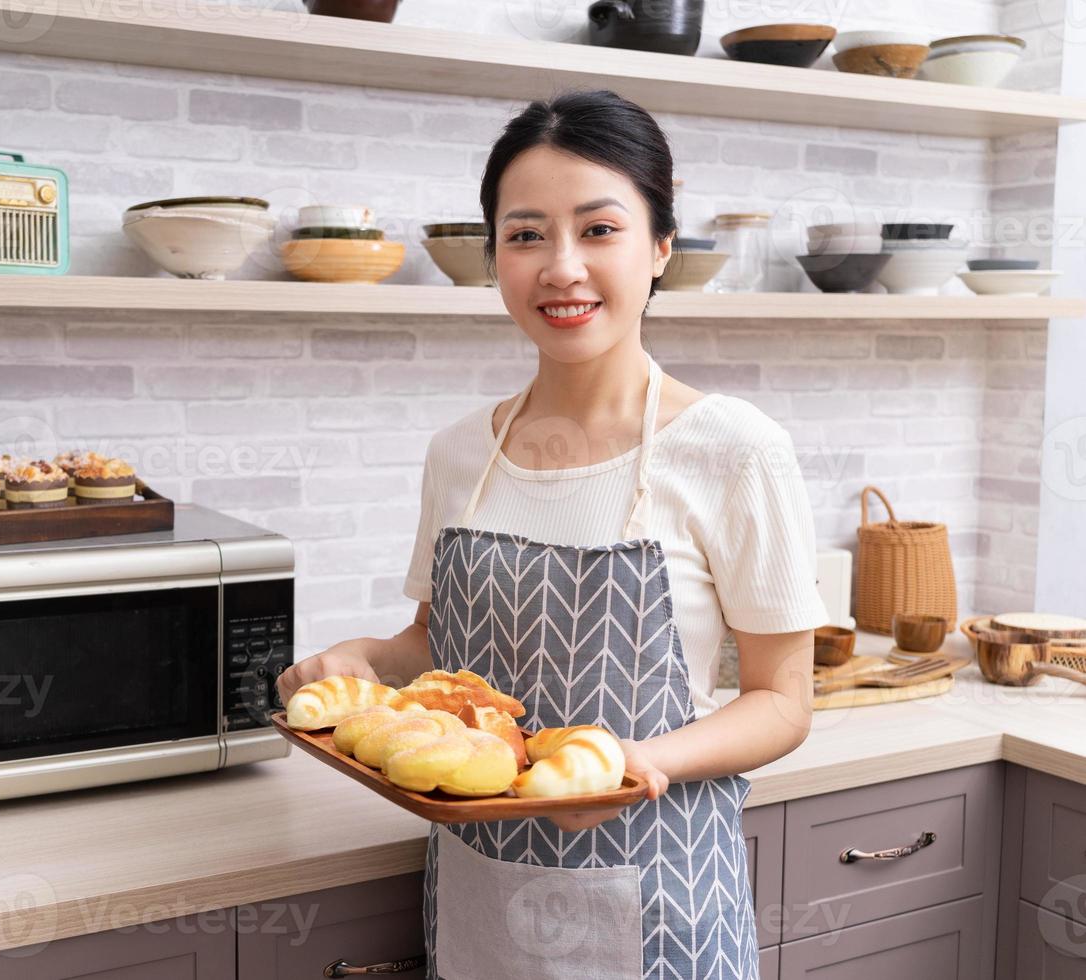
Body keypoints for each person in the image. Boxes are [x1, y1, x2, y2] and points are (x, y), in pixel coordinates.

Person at [275, 89, 827, 979]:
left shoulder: (735, 451)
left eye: (599, 230)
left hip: (662, 903)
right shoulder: (460, 452)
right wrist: (364, 661)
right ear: (494, 257)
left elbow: (783, 701)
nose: (561, 268)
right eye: (526, 235)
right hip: (478, 895)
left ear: (660, 248)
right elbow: (435, 647)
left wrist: (632, 763)